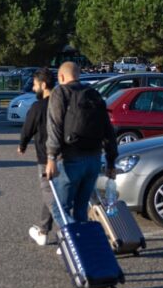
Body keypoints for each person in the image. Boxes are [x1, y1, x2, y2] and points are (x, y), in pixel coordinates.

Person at [45, 62, 118, 226]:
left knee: (59, 209)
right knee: (81, 208)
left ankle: (75, 243)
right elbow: (108, 130)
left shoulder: (60, 92)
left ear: (61, 77)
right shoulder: (93, 94)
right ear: (78, 75)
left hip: (71, 158)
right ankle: (84, 244)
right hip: (93, 159)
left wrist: (51, 157)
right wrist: (111, 161)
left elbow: (55, 126)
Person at [17, 68, 56, 246]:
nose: (33, 89)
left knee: (50, 195)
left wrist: (22, 145)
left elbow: (28, 128)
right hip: (67, 156)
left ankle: (66, 235)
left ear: (43, 85)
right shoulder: (62, 104)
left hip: (46, 158)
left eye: (34, 85)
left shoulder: (38, 107)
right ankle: (44, 230)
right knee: (55, 194)